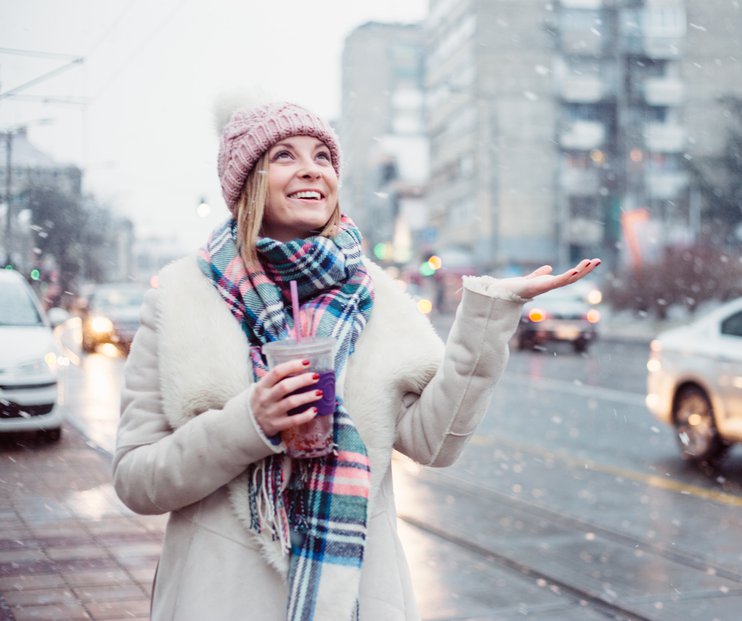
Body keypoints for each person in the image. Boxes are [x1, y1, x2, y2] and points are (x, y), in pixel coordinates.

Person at [112, 101, 600, 621]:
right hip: (219, 598)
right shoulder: (181, 298)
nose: (311, 168)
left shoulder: (375, 295)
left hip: (357, 600)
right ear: (247, 182)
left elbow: (435, 443)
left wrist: (489, 314)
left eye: (323, 155)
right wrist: (248, 424)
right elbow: (137, 480)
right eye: (284, 155)